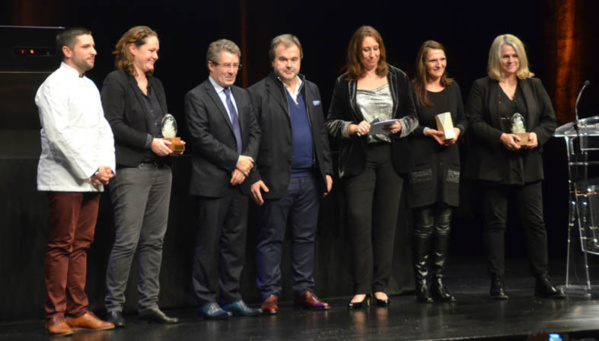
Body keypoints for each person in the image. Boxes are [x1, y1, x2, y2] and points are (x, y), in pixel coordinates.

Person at [464, 34, 565, 299]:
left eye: (514, 55)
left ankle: (541, 278)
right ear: (496, 59)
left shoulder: (533, 84)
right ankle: (497, 281)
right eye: (505, 56)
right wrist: (500, 137)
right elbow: (473, 122)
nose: (510, 60)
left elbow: (549, 120)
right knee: (496, 224)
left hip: (528, 165)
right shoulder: (481, 86)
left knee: (535, 223)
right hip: (494, 165)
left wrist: (536, 136)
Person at [326, 26, 418, 308]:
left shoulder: (397, 77)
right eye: (366, 49)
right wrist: (352, 127)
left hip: (391, 156)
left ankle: (380, 286)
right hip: (359, 158)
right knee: (359, 221)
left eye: (376, 48)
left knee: (385, 224)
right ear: (357, 51)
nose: (372, 54)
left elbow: (412, 117)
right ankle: (361, 287)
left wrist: (400, 125)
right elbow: (331, 123)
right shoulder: (345, 82)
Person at [36, 27, 115, 336]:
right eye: (86, 46)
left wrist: (106, 165)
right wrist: (90, 168)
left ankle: (78, 310)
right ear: (68, 51)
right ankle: (55, 314)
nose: (94, 51)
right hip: (65, 177)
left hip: (92, 177)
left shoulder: (90, 86)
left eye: (94, 45)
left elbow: (102, 129)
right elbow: (58, 136)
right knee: (62, 245)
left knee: (82, 245)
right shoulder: (53, 86)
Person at [247, 34, 333, 314]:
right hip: (274, 179)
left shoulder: (313, 90)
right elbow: (250, 138)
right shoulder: (257, 93)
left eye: (293, 59)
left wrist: (327, 169)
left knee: (306, 237)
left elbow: (320, 132)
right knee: (271, 237)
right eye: (283, 59)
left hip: (309, 178)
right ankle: (269, 294)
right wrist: (254, 175)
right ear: (273, 61)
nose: (289, 64)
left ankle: (303, 290)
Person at [101, 26, 181, 327]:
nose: (156, 56)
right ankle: (114, 307)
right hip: (131, 169)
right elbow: (113, 123)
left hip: (161, 171)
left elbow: (163, 124)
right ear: (132, 49)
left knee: (154, 241)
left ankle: (149, 304)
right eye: (151, 50)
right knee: (127, 241)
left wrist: (170, 143)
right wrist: (150, 142)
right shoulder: (116, 81)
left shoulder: (156, 84)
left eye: (157, 51)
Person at [185, 39, 262, 319]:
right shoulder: (196, 96)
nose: (231, 71)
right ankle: (206, 298)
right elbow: (201, 138)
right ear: (211, 65)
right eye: (226, 65)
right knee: (208, 243)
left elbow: (254, 133)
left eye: (235, 65)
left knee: (235, 243)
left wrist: (245, 166)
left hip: (239, 181)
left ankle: (232, 296)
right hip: (211, 182)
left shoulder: (243, 95)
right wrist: (235, 161)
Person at [408, 41, 465, 303]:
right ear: (424, 63)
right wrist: (427, 132)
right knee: (424, 226)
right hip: (424, 162)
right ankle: (421, 283)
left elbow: (464, 119)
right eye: (433, 60)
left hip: (449, 161)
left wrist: (458, 132)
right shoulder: (413, 89)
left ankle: (438, 283)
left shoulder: (453, 89)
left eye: (442, 59)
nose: (439, 65)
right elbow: (407, 123)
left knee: (443, 226)